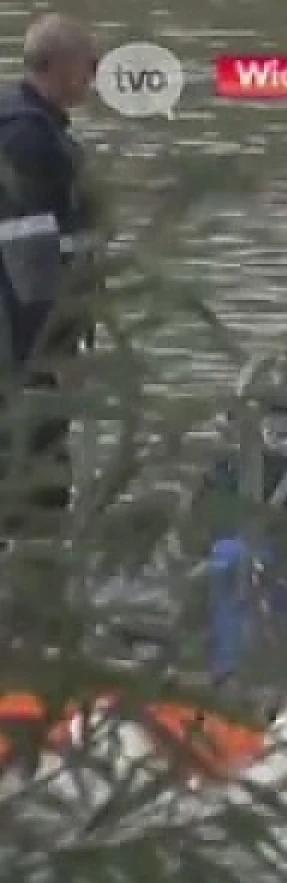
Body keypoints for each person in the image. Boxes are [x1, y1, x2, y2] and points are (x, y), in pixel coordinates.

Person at [0, 13, 98, 542]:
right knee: (39, 483)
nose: (94, 76)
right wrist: (60, 351)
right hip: (25, 349)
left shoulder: (21, 126)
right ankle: (36, 607)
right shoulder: (29, 140)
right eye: (90, 64)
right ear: (62, 66)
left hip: (18, 341)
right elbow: (31, 261)